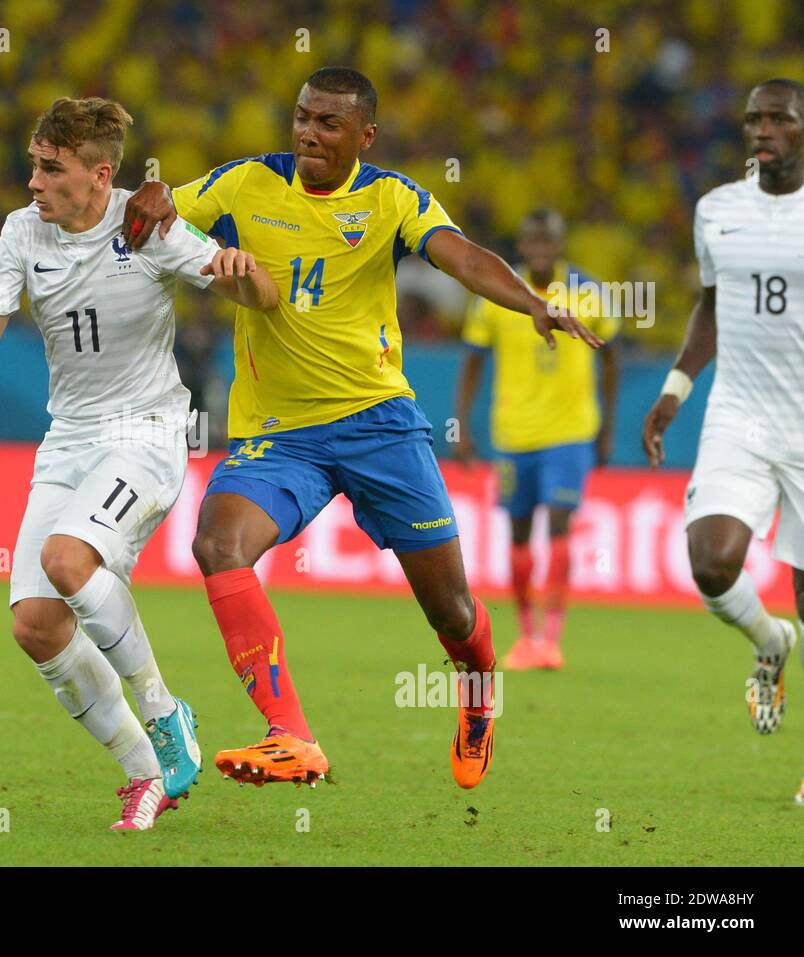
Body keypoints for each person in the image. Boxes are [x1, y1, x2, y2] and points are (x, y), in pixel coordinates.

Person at [122, 66, 600, 790]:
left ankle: (477, 693)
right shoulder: (246, 182)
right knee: (217, 542)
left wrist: (529, 301)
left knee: (451, 606)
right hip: (279, 435)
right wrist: (149, 196)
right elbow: (161, 211)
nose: (309, 133)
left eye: (328, 124)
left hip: (381, 426)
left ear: (365, 135)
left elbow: (462, 255)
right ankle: (292, 735)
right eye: (302, 117)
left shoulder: (392, 196)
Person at [0, 97, 279, 829]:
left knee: (69, 559)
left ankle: (167, 714)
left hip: (147, 431)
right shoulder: (20, 232)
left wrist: (244, 268)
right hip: (68, 437)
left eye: (50, 168)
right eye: (33, 164)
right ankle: (146, 772)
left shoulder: (148, 224)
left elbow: (259, 298)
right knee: (35, 623)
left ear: (101, 176)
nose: (33, 182)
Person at [643, 78, 804, 736]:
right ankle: (771, 641)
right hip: (740, 413)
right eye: (752, 119)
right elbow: (713, 304)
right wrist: (675, 389)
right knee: (711, 561)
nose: (762, 130)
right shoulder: (716, 209)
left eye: (779, 119)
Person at [455, 209, 619, 671]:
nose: (542, 248)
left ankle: (552, 637)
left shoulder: (589, 293)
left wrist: (605, 427)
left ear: (560, 243)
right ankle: (527, 634)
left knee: (561, 524)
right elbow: (472, 361)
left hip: (570, 432)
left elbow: (612, 356)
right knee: (521, 534)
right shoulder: (497, 293)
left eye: (550, 240)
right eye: (533, 241)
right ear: (523, 246)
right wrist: (462, 424)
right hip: (514, 433)